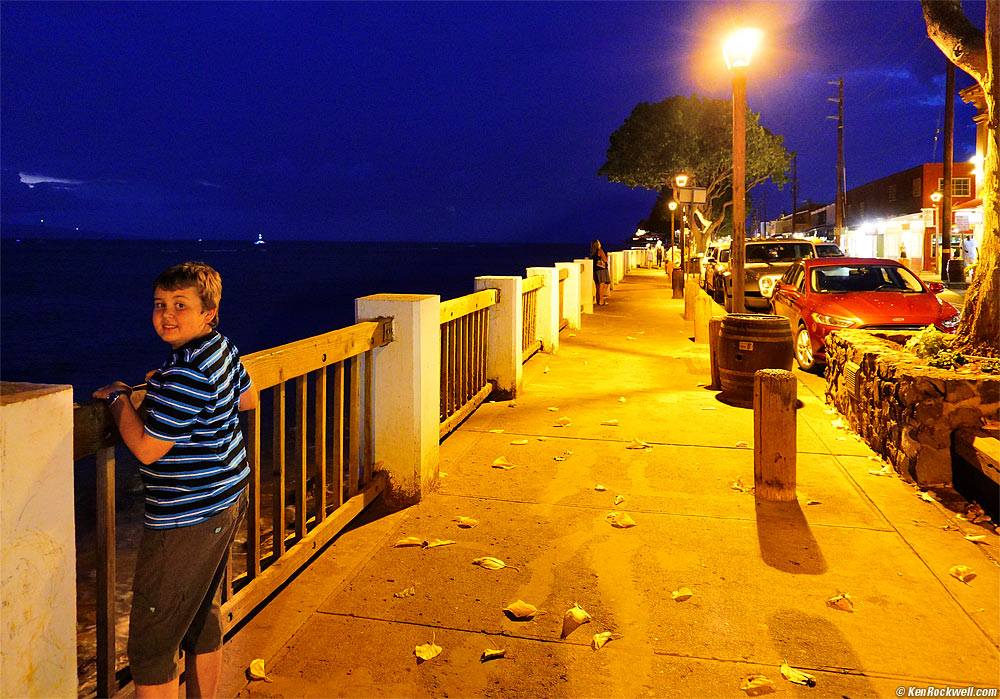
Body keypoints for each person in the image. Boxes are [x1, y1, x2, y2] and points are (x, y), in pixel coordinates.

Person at [93, 261, 258, 699]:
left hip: (187, 517)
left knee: (152, 645)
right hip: (228, 496)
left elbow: (147, 448)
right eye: (159, 304)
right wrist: (165, 386)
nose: (166, 315)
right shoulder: (219, 348)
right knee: (201, 614)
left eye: (180, 305)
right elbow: (247, 398)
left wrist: (119, 398)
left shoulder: (186, 373)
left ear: (208, 312)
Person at [591, 239, 611, 306]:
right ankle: (601, 300)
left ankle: (598, 299)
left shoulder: (593, 252)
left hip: (595, 270)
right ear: (597, 244)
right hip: (602, 269)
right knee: (603, 284)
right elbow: (605, 260)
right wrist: (607, 256)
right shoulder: (600, 250)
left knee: (598, 286)